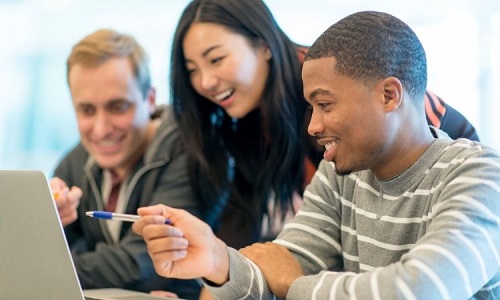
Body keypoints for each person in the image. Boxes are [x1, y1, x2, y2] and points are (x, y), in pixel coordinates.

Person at [132, 10, 500, 300]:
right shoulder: (340, 174)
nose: (312, 127)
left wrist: (294, 285)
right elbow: (277, 270)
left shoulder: (480, 176)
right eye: (310, 107)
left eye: (324, 104)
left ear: (389, 95)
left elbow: (418, 291)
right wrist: (215, 259)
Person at [167, 0, 480, 252]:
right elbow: (251, 225)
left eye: (216, 59)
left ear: (263, 45)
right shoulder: (241, 117)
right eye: (192, 69)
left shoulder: (330, 86)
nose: (205, 82)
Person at [49, 29, 213, 299]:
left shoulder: (191, 151)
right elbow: (52, 249)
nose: (101, 130)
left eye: (118, 107)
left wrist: (49, 266)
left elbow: (141, 265)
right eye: (87, 110)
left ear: (149, 100)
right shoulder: (75, 160)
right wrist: (54, 222)